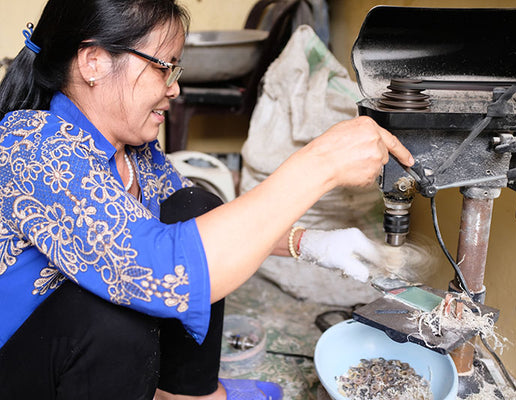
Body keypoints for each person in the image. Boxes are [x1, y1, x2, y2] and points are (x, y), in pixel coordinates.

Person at [0, 0, 414, 399]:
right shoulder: (33, 144)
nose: (174, 87)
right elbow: (159, 270)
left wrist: (311, 244)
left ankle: (186, 395)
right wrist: (319, 164)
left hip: (73, 354)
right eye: (163, 68)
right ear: (94, 62)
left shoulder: (134, 152)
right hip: (21, 363)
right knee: (118, 322)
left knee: (195, 207)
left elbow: (208, 229)